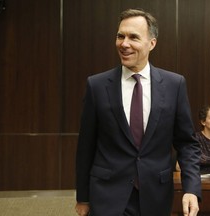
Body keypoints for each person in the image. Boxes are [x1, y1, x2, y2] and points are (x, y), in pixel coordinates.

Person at [75, 8, 201, 216]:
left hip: (155, 195)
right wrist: (83, 197)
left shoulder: (174, 85)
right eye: (120, 36)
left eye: (133, 37)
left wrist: (191, 189)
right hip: (107, 195)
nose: (124, 44)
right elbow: (85, 146)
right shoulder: (96, 85)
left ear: (152, 43)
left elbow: (187, 144)